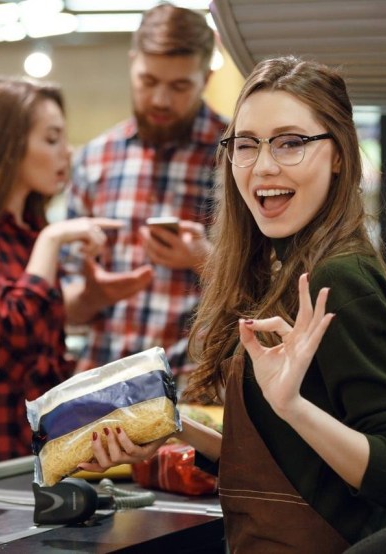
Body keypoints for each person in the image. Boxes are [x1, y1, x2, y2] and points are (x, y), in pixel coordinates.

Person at [80, 56, 386, 552]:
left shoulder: (338, 278)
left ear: (338, 154)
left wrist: (291, 406)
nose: (264, 166)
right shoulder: (285, 268)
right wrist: (170, 428)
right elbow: (290, 462)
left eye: (291, 143)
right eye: (246, 145)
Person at [0, 76, 153, 469]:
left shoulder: (26, 230)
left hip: (39, 449)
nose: (65, 152)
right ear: (6, 145)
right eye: (51, 140)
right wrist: (52, 240)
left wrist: (91, 299)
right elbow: (8, 335)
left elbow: (39, 326)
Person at [62, 3, 228, 378]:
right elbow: (65, 305)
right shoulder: (95, 159)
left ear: (207, 75)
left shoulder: (239, 155)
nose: (160, 101)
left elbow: (273, 294)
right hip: (103, 388)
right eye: (148, 81)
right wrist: (91, 296)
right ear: (132, 62)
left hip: (196, 392)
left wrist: (204, 260)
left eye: (179, 86)